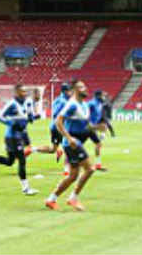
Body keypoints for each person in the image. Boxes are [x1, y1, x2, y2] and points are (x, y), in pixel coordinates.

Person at [0, 85, 39, 195]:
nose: (24, 93)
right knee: (22, 160)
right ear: (17, 92)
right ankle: (26, 189)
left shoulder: (27, 102)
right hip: (12, 137)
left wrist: (32, 117)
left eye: (25, 91)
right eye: (22, 91)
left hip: (20, 135)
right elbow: (0, 116)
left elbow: (29, 117)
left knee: (10, 162)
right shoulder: (11, 104)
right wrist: (10, 123)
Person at [45, 79, 95, 211]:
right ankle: (72, 198)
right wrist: (69, 138)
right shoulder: (71, 105)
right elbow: (58, 121)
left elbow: (83, 122)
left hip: (74, 143)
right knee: (89, 169)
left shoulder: (83, 104)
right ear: (74, 90)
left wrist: (95, 128)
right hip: (71, 144)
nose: (85, 89)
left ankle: (51, 199)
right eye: (81, 87)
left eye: (84, 86)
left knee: (73, 175)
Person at [49, 83, 72, 163]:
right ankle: (68, 171)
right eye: (70, 90)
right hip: (58, 127)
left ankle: (32, 149)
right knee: (70, 147)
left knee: (53, 149)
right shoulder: (63, 102)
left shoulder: (59, 99)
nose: (71, 92)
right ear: (65, 91)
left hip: (57, 127)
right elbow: (56, 114)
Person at [86, 90, 108, 171]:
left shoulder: (100, 104)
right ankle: (67, 169)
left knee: (98, 144)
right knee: (75, 146)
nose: (104, 97)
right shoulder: (91, 103)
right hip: (84, 127)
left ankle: (98, 165)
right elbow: (83, 110)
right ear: (98, 96)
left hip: (92, 128)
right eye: (103, 95)